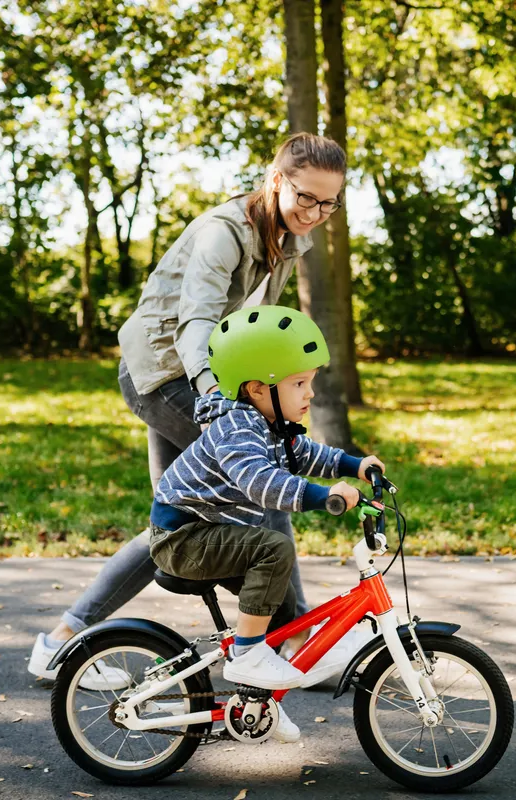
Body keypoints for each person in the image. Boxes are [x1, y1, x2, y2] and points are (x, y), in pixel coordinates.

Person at [27, 132, 373, 688]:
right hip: (167, 375)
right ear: (278, 180)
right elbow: (197, 324)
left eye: (329, 203)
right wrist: (217, 396)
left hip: (198, 375)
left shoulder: (287, 236)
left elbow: (254, 325)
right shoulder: (223, 233)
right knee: (268, 477)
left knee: (173, 518)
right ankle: (295, 643)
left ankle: (60, 645)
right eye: (307, 197)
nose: (316, 212)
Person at [149, 305, 385, 742]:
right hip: (182, 537)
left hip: (209, 532)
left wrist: (354, 465)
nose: (309, 393)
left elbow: (306, 454)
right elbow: (260, 483)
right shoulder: (238, 427)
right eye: (299, 383)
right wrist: (322, 495)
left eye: (310, 382)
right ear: (258, 388)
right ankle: (247, 654)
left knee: (284, 610)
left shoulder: (271, 422)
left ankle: (261, 705)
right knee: (273, 548)